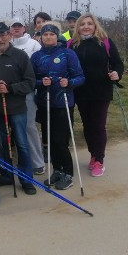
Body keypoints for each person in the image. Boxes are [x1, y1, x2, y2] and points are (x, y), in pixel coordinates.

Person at [0, 22, 36, 195]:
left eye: (3, 35)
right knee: (1, 144)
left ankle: (26, 179)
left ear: (9, 35)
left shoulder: (20, 56)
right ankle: (6, 174)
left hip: (16, 108)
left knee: (21, 144)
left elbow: (30, 83)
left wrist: (11, 88)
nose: (0, 39)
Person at [69, 13, 124, 177]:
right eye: (82, 24)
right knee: (87, 126)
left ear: (95, 26)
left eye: (89, 24)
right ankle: (93, 154)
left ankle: (99, 159)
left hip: (101, 90)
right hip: (80, 90)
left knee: (98, 125)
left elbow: (117, 63)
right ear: (77, 27)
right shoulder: (72, 44)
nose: (86, 26)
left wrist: (117, 74)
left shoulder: (104, 42)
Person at [31, 23, 85, 190]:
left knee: (60, 141)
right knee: (49, 141)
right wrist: (41, 82)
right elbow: (30, 80)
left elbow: (80, 77)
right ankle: (57, 170)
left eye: (51, 34)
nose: (48, 37)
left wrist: (68, 82)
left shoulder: (67, 53)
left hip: (63, 103)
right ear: (40, 37)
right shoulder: (36, 56)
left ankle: (68, 173)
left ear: (57, 36)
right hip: (45, 102)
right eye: (45, 34)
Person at [9, 16, 45, 175]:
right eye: (13, 26)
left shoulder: (34, 44)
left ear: (24, 28)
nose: (16, 29)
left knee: (29, 127)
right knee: (11, 127)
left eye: (19, 26)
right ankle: (17, 161)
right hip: (9, 92)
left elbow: (40, 66)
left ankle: (37, 162)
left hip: (28, 92)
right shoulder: (4, 43)